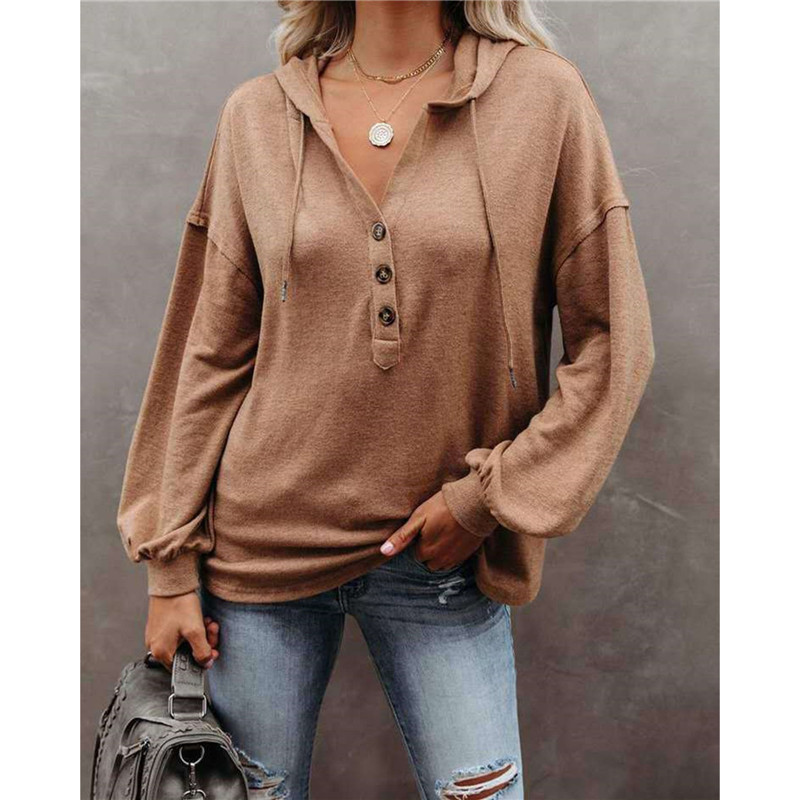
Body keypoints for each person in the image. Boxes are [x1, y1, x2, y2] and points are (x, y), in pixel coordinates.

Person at [116, 1, 655, 797]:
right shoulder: (256, 118)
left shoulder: (543, 101)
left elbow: (616, 341)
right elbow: (207, 356)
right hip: (259, 558)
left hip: (441, 558)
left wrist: (488, 498)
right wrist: (169, 568)